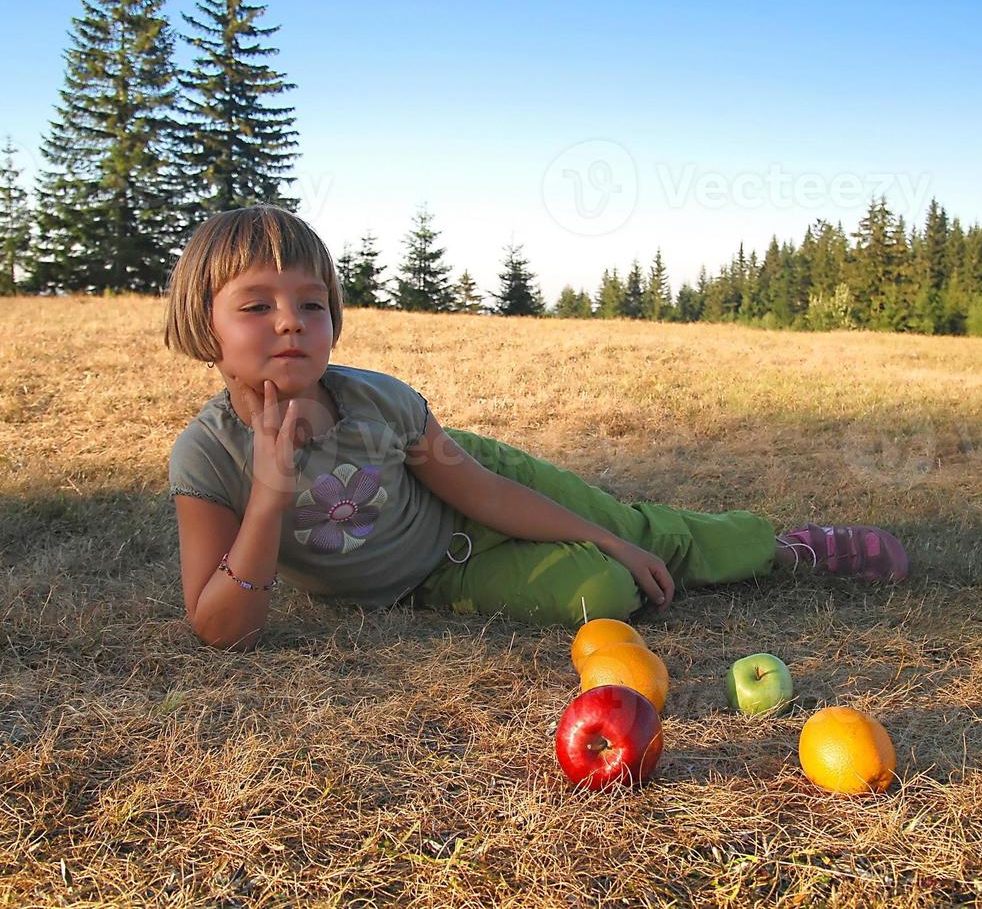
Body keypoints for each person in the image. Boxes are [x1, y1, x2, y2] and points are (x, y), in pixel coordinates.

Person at [164, 205, 910, 651]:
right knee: (602, 592)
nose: (291, 319)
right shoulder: (207, 457)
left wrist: (608, 536)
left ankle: (778, 548)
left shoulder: (380, 402)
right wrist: (267, 499)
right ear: (206, 322)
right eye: (256, 305)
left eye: (312, 302)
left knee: (628, 532)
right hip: (438, 577)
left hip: (481, 487)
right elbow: (221, 628)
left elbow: (478, 489)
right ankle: (631, 554)